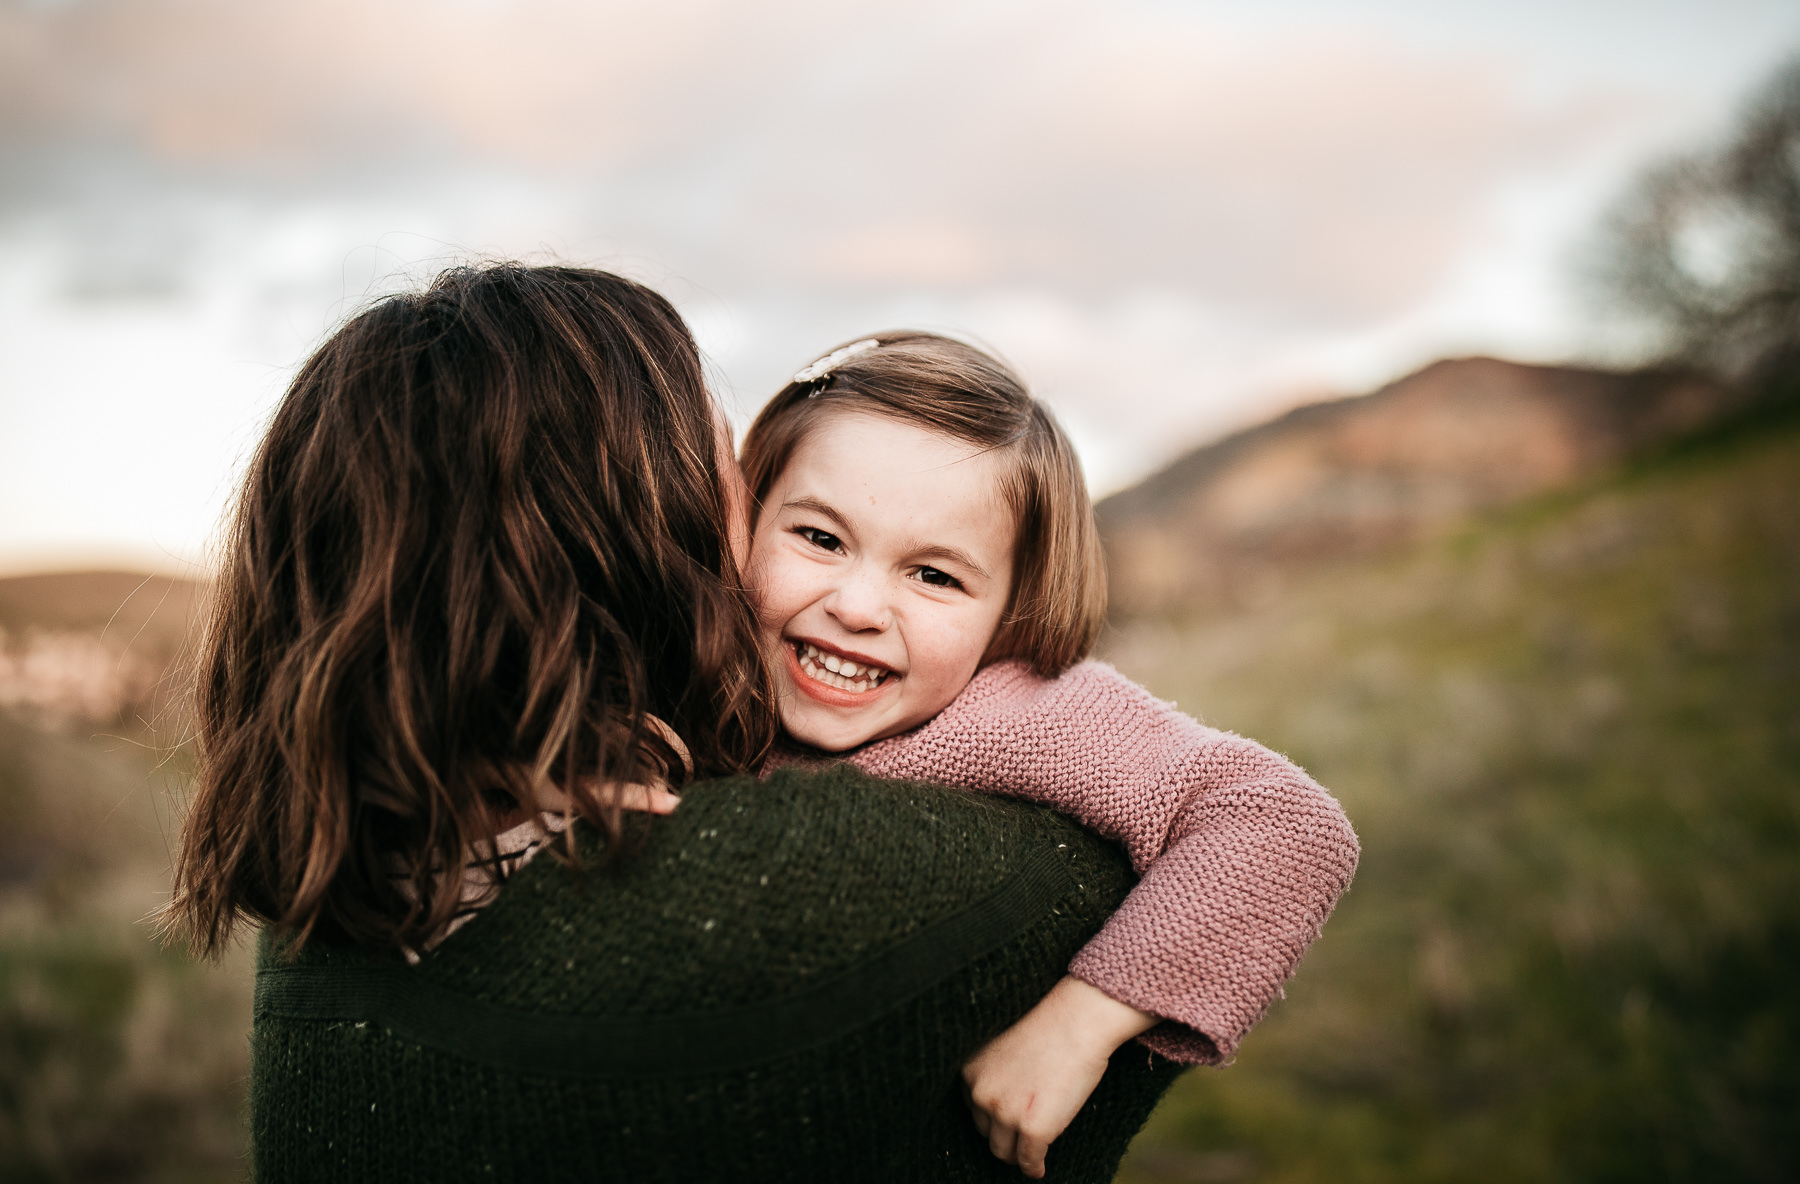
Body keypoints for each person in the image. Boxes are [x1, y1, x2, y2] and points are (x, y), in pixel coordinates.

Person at [164, 264, 1184, 1182]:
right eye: (730, 470)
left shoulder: (334, 878)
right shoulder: (797, 881)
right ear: (619, 537)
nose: (855, 598)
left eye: (932, 572)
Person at [739, 332, 1360, 1177]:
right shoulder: (695, 674)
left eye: (935, 577)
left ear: (1013, 610)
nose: (856, 605)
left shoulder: (1021, 707)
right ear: (741, 517)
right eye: (819, 538)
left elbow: (1282, 822)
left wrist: (1078, 1024)